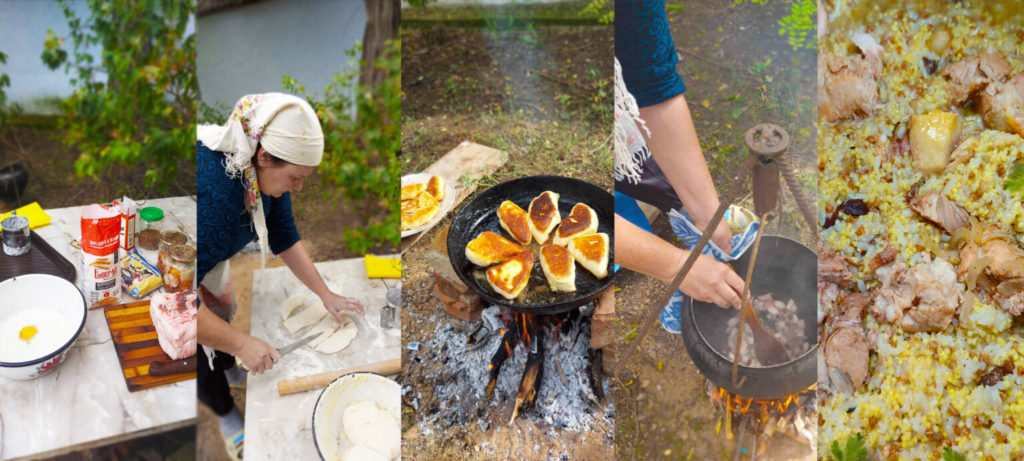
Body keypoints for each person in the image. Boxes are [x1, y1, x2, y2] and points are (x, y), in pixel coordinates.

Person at [195, 93, 365, 458]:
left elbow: (283, 234)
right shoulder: (215, 198)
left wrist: (326, 295)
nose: (299, 187)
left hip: (208, 258)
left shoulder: (262, 169)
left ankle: (230, 369)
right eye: (295, 178)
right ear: (264, 157)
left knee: (222, 316)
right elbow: (180, 304)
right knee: (196, 350)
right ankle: (225, 414)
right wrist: (241, 343)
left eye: (304, 178)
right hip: (179, 265)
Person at [614, 0, 747, 332]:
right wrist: (676, 266)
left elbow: (653, 79)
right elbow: (569, 195)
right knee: (601, 238)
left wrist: (709, 217)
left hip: (622, 124)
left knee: (672, 189)